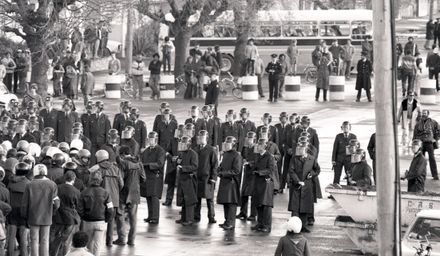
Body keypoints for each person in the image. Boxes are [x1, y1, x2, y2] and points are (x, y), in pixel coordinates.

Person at [21, 164, 60, 256]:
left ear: (35, 172)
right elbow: (57, 204)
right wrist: (52, 212)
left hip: (33, 217)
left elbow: (24, 204)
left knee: (33, 240)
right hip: (47, 217)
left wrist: (24, 216)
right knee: (45, 240)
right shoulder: (52, 184)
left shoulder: (29, 185)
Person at [113, 146, 145, 246]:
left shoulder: (123, 163)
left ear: (122, 154)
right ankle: (131, 240)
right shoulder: (139, 163)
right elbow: (143, 178)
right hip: (135, 193)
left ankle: (121, 239)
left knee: (120, 217)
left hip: (123, 193)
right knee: (133, 219)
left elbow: (120, 180)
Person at [78, 171, 114, 256]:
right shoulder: (106, 193)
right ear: (101, 180)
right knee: (97, 245)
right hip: (101, 222)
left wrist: (84, 217)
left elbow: (79, 209)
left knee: (88, 244)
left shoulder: (84, 192)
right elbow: (111, 209)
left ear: (90, 180)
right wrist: (107, 220)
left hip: (88, 222)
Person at [92, 149, 123, 247]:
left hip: (100, 198)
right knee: (111, 220)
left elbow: (93, 183)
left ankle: (96, 242)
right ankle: (109, 242)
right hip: (113, 199)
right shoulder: (116, 168)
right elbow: (121, 184)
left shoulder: (97, 169)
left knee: (97, 219)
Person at [288, 141, 320, 232]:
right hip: (296, 186)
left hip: (307, 186)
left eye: (301, 148)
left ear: (305, 149)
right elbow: (291, 171)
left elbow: (317, 169)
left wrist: (312, 174)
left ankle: (303, 226)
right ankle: (293, 227)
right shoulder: (294, 158)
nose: (299, 150)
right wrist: (297, 181)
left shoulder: (312, 159)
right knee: (295, 208)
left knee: (304, 207)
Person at [50, 171, 81, 256]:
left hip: (58, 216)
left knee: (56, 239)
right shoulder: (77, 191)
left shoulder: (58, 187)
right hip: (71, 218)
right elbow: (78, 206)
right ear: (73, 179)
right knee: (67, 241)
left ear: (65, 178)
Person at [140, 132, 166, 225]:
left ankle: (155, 217)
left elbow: (160, 164)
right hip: (148, 176)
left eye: (152, 139)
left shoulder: (160, 151)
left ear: (155, 140)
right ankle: (150, 216)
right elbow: (141, 160)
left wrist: (147, 165)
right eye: (149, 139)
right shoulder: (146, 150)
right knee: (148, 197)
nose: (150, 141)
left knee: (154, 198)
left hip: (155, 177)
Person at [251, 138, 276, 233]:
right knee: (258, 203)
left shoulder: (270, 156)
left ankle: (267, 225)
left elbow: (271, 170)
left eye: (259, 145)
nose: (257, 147)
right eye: (257, 145)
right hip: (258, 182)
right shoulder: (258, 156)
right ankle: (260, 223)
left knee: (266, 205)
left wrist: (259, 172)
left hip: (266, 183)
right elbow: (256, 165)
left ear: (264, 146)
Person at [217, 136, 241, 230]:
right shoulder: (226, 154)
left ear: (233, 144)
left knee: (231, 203)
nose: (226, 145)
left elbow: (236, 171)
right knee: (225, 202)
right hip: (225, 181)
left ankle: (231, 222)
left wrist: (223, 173)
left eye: (228, 143)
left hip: (232, 182)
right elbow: (222, 165)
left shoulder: (237, 155)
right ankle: (227, 220)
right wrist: (219, 169)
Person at [7, 162, 31, 256]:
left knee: (11, 236)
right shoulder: (28, 183)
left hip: (11, 211)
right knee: (23, 238)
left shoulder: (11, 181)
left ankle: (10, 253)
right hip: (23, 212)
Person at [194, 130, 218, 224]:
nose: (200, 139)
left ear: (206, 139)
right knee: (197, 198)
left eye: (202, 137)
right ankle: (196, 216)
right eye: (199, 137)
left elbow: (215, 165)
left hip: (207, 178)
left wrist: (213, 177)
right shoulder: (196, 149)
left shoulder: (211, 150)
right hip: (197, 177)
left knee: (209, 199)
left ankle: (211, 216)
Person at [175, 136, 198, 226]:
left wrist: (183, 168)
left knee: (189, 200)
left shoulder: (193, 154)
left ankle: (189, 219)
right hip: (182, 178)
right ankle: (183, 217)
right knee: (183, 199)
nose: (181, 145)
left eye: (183, 144)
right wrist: (177, 161)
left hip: (189, 178)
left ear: (188, 144)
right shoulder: (181, 153)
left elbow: (195, 166)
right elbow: (179, 162)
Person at [237, 131, 257, 221]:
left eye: (250, 139)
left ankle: (253, 214)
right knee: (244, 193)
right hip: (246, 172)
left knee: (253, 194)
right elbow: (242, 156)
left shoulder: (256, 149)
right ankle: (243, 212)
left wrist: (249, 163)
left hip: (253, 173)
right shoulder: (245, 148)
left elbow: (258, 161)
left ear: (254, 139)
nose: (249, 140)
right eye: (248, 138)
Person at [413, 109, 439, 180]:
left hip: (430, 143)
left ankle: (435, 175)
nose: (423, 114)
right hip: (421, 144)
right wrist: (414, 143)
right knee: (421, 159)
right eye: (423, 113)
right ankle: (421, 174)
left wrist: (436, 139)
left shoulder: (433, 122)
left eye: (425, 113)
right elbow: (415, 134)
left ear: (428, 114)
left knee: (432, 159)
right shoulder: (418, 123)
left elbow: (438, 130)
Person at [331, 121, 357, 186]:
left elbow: (356, 149)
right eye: (344, 127)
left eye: (347, 127)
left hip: (349, 160)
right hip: (339, 159)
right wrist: (333, 160)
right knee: (337, 175)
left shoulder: (353, 136)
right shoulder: (338, 136)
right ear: (341, 128)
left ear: (350, 128)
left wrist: (355, 160)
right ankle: (334, 191)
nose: (345, 129)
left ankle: (350, 190)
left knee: (349, 175)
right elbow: (335, 148)